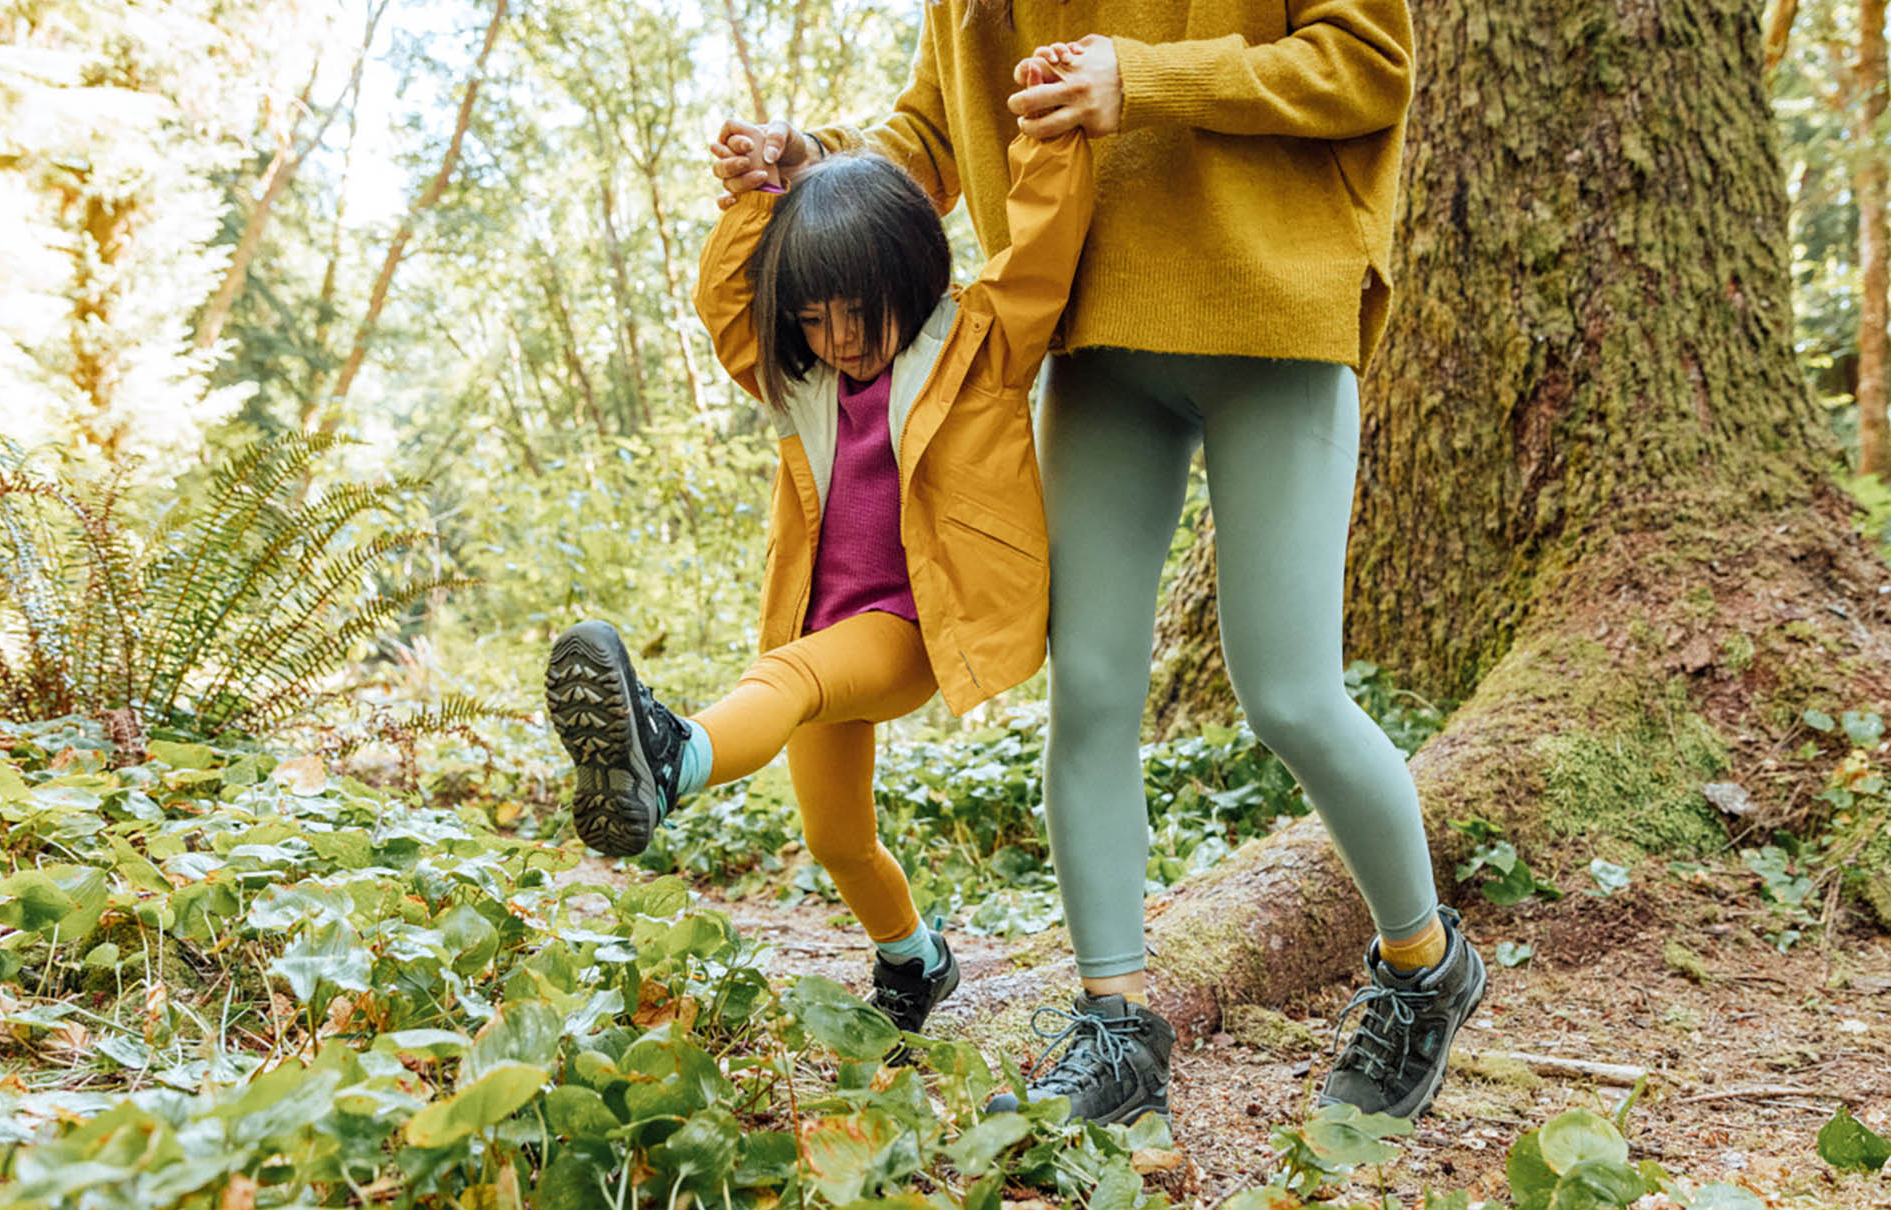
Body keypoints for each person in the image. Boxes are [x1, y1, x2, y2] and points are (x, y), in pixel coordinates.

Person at [709, 3, 1482, 1128]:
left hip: (1273, 319)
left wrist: (1147, 80)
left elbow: (1367, 65)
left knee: (1290, 694)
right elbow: (926, 138)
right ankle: (1117, 1026)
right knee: (1094, 692)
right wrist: (811, 162)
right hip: (1097, 346)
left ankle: (1426, 965)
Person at [546, 110, 1094, 1056]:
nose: (837, 337)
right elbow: (727, 305)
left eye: (855, 312)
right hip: (823, 619)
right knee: (836, 838)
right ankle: (915, 960)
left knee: (785, 682)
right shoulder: (801, 385)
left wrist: (1056, 134)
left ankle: (669, 759)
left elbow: (1045, 251)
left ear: (909, 277)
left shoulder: (978, 349)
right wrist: (754, 196)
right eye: (812, 317)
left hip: (915, 624)